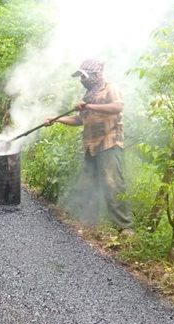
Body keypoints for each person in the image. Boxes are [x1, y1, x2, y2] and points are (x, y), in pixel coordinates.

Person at [45, 59, 132, 232]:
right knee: (88, 183)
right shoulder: (88, 95)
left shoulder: (109, 88)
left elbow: (118, 107)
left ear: (94, 75)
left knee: (112, 183)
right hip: (91, 146)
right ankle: (88, 222)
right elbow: (80, 120)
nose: (82, 80)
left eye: (84, 76)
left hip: (109, 143)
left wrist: (89, 105)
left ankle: (125, 228)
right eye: (80, 77)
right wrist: (56, 119)